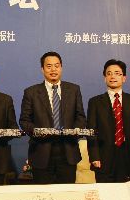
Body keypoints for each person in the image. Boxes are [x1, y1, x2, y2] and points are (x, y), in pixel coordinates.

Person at [19, 51, 86, 184]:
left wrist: (73, 131)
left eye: (57, 65)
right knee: (43, 194)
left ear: (61, 67)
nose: (53, 69)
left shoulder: (73, 89)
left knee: (67, 193)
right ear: (42, 69)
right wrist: (39, 132)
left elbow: (81, 117)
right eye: (49, 66)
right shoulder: (31, 92)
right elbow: (24, 121)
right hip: (41, 151)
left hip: (67, 151)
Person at [87, 59, 130, 183]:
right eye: (109, 73)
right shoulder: (95, 102)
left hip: (128, 156)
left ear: (124, 78)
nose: (113, 76)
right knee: (105, 192)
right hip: (103, 157)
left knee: (126, 191)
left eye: (117, 73)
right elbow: (91, 131)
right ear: (105, 78)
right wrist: (94, 156)